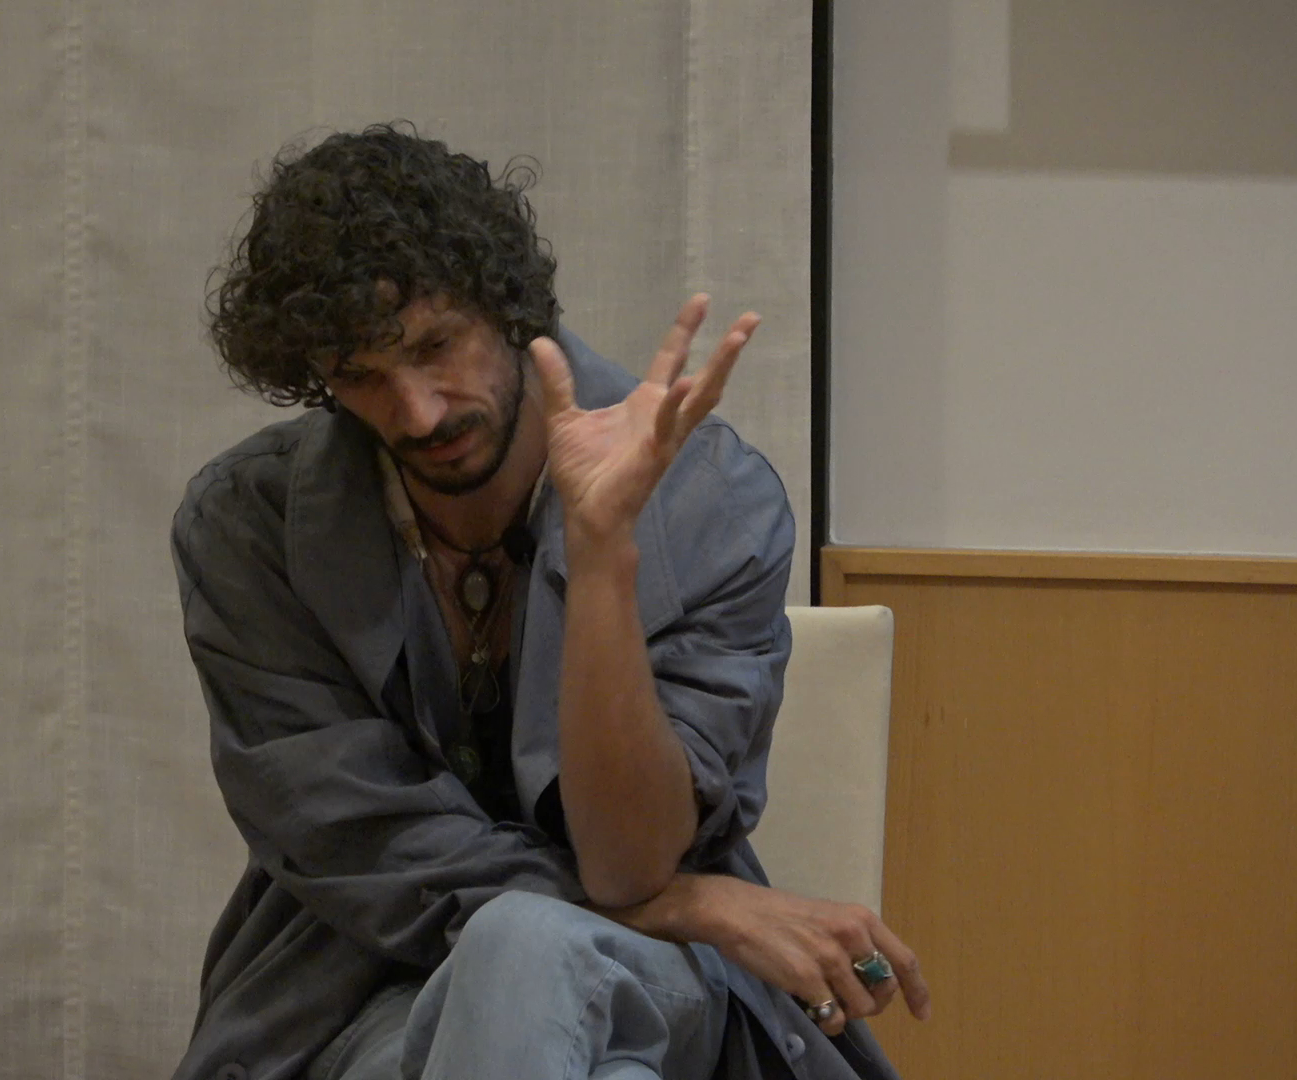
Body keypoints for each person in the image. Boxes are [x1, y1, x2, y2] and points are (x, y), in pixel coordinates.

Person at [169, 122, 929, 1080]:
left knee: (523, 944)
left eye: (436, 345)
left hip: (653, 977)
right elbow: (358, 843)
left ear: (509, 304)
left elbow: (629, 861)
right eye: (361, 377)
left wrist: (602, 550)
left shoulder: (713, 505)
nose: (418, 411)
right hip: (363, 986)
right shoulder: (250, 525)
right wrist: (691, 902)